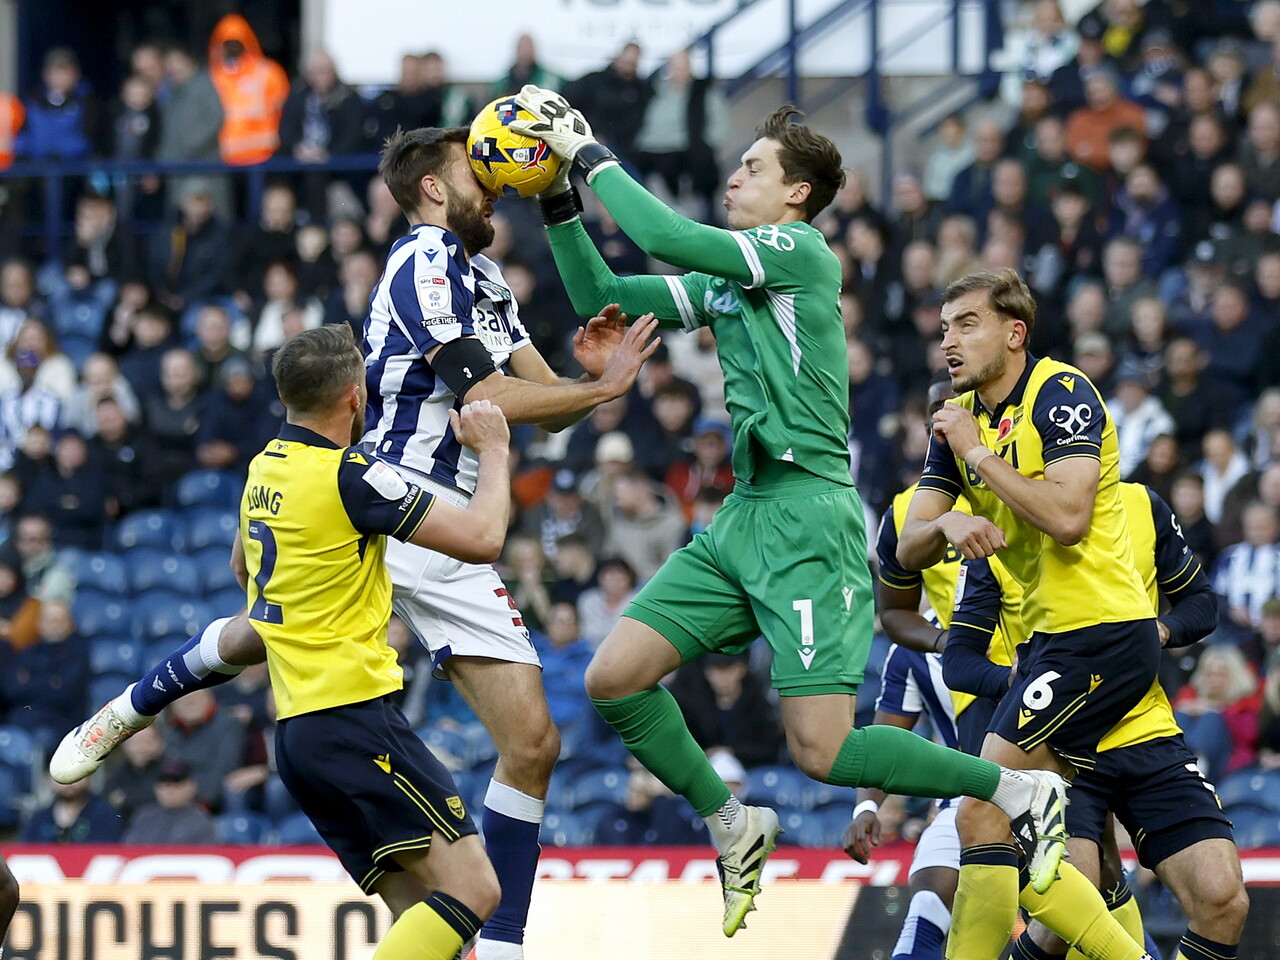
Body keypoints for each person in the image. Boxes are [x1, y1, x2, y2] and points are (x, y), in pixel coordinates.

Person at [52, 127, 659, 960]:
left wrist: (593, 384)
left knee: (532, 745)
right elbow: (485, 396)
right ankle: (129, 708)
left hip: (433, 514)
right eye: (473, 172)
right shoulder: (423, 262)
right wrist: (592, 389)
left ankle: (504, 949)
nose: (491, 183)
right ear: (434, 191)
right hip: (403, 488)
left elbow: (542, 401)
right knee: (273, 622)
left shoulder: (484, 279)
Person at [508, 87, 1067, 935]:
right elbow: (602, 291)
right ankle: (732, 822)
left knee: (823, 753)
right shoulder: (732, 280)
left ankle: (1019, 789)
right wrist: (554, 198)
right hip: (747, 514)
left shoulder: (799, 250)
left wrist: (585, 150)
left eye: (752, 167)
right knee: (611, 678)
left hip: (810, 519)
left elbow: (660, 234)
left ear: (796, 194)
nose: (734, 177)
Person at [896, 268, 1165, 960]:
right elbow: (906, 543)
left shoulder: (1062, 391)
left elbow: (1069, 518)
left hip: (1102, 634)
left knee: (983, 809)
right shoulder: (957, 420)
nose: (949, 341)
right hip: (1051, 648)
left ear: (1014, 334)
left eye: (968, 324)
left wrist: (976, 457)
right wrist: (949, 522)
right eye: (945, 326)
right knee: (1070, 851)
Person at [230, 324, 517, 957]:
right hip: (357, 719)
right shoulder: (352, 475)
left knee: (426, 923)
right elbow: (483, 539)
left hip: (299, 734)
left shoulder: (264, 468)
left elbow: (243, 571)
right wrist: (494, 449)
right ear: (356, 398)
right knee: (475, 893)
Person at [949, 481, 1246, 960]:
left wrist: (1160, 629)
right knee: (1068, 915)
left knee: (1224, 898)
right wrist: (1027, 682)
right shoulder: (998, 524)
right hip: (1057, 747)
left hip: (1145, 728)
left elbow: (1202, 602)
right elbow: (958, 659)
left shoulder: (1142, 504)